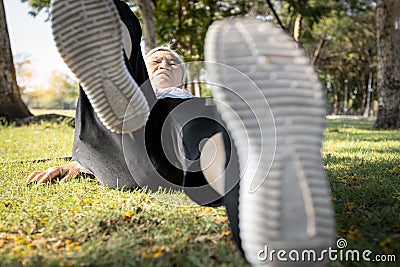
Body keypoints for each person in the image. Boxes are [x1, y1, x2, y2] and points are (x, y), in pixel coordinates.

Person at [27, 0, 336, 265]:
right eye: (156, 59)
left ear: (185, 80)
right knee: (115, 9)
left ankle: (263, 219)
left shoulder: (194, 101)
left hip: (177, 156)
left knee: (201, 119)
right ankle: (117, 60)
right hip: (121, 145)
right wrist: (79, 164)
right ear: (140, 66)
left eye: (172, 61)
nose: (164, 63)